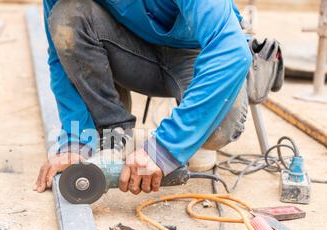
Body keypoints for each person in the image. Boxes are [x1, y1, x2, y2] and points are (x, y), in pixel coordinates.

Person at [34, 0, 251, 195]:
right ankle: (113, 131)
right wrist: (76, 140)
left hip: (196, 51)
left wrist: (166, 148)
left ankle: (190, 130)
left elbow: (231, 51)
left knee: (216, 130)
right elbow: (61, 60)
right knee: (66, 17)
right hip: (130, 49)